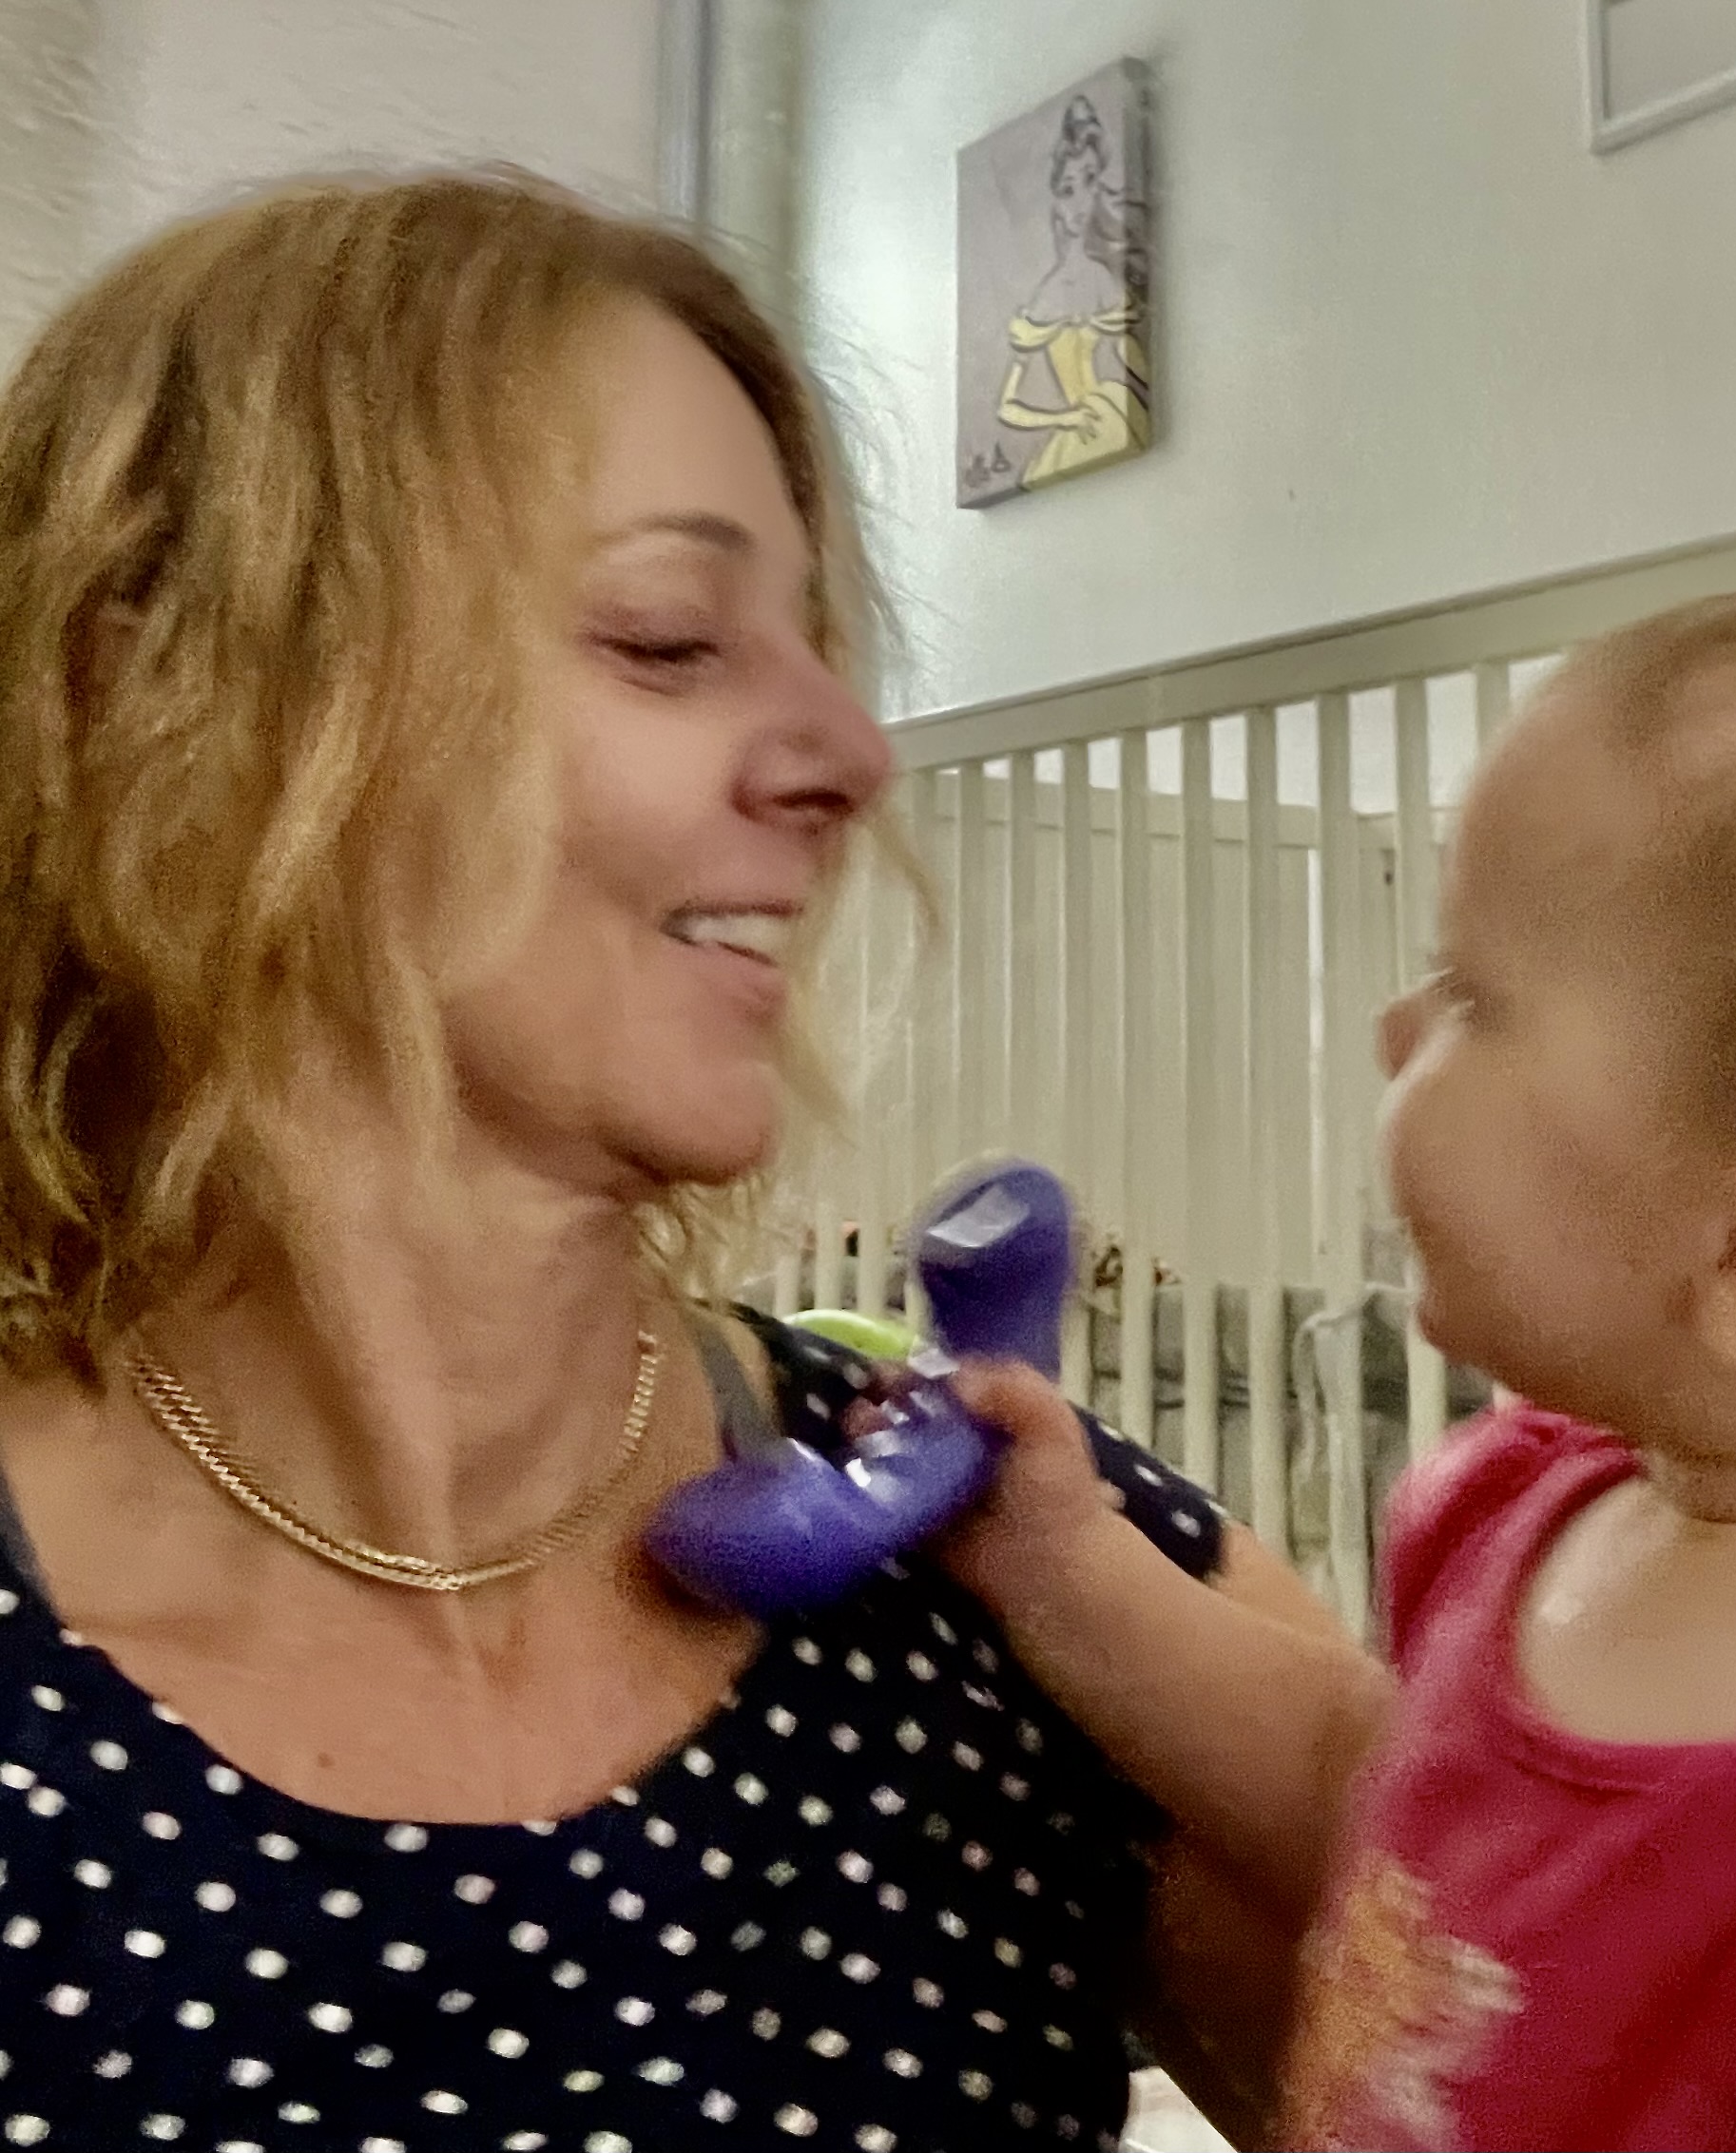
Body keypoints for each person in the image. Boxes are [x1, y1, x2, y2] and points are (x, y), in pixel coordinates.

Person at [0, 169, 1373, 2151]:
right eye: (665, 638)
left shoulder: (1019, 1561)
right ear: (154, 697)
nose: (844, 750)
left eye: (814, 639)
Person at [960, 583, 1736, 2151]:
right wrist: (1057, 1564)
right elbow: (1377, 1813)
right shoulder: (1526, 1509)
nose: (1396, 1033)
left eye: (1471, 997)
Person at [991, 94, 1149, 491]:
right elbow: (1007, 406)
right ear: (1056, 200)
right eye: (1068, 188)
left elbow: (1135, 368)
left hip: (1118, 417)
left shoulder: (1102, 278)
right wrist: (1063, 418)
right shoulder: (1045, 298)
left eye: (1091, 180)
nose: (1081, 201)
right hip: (1081, 429)